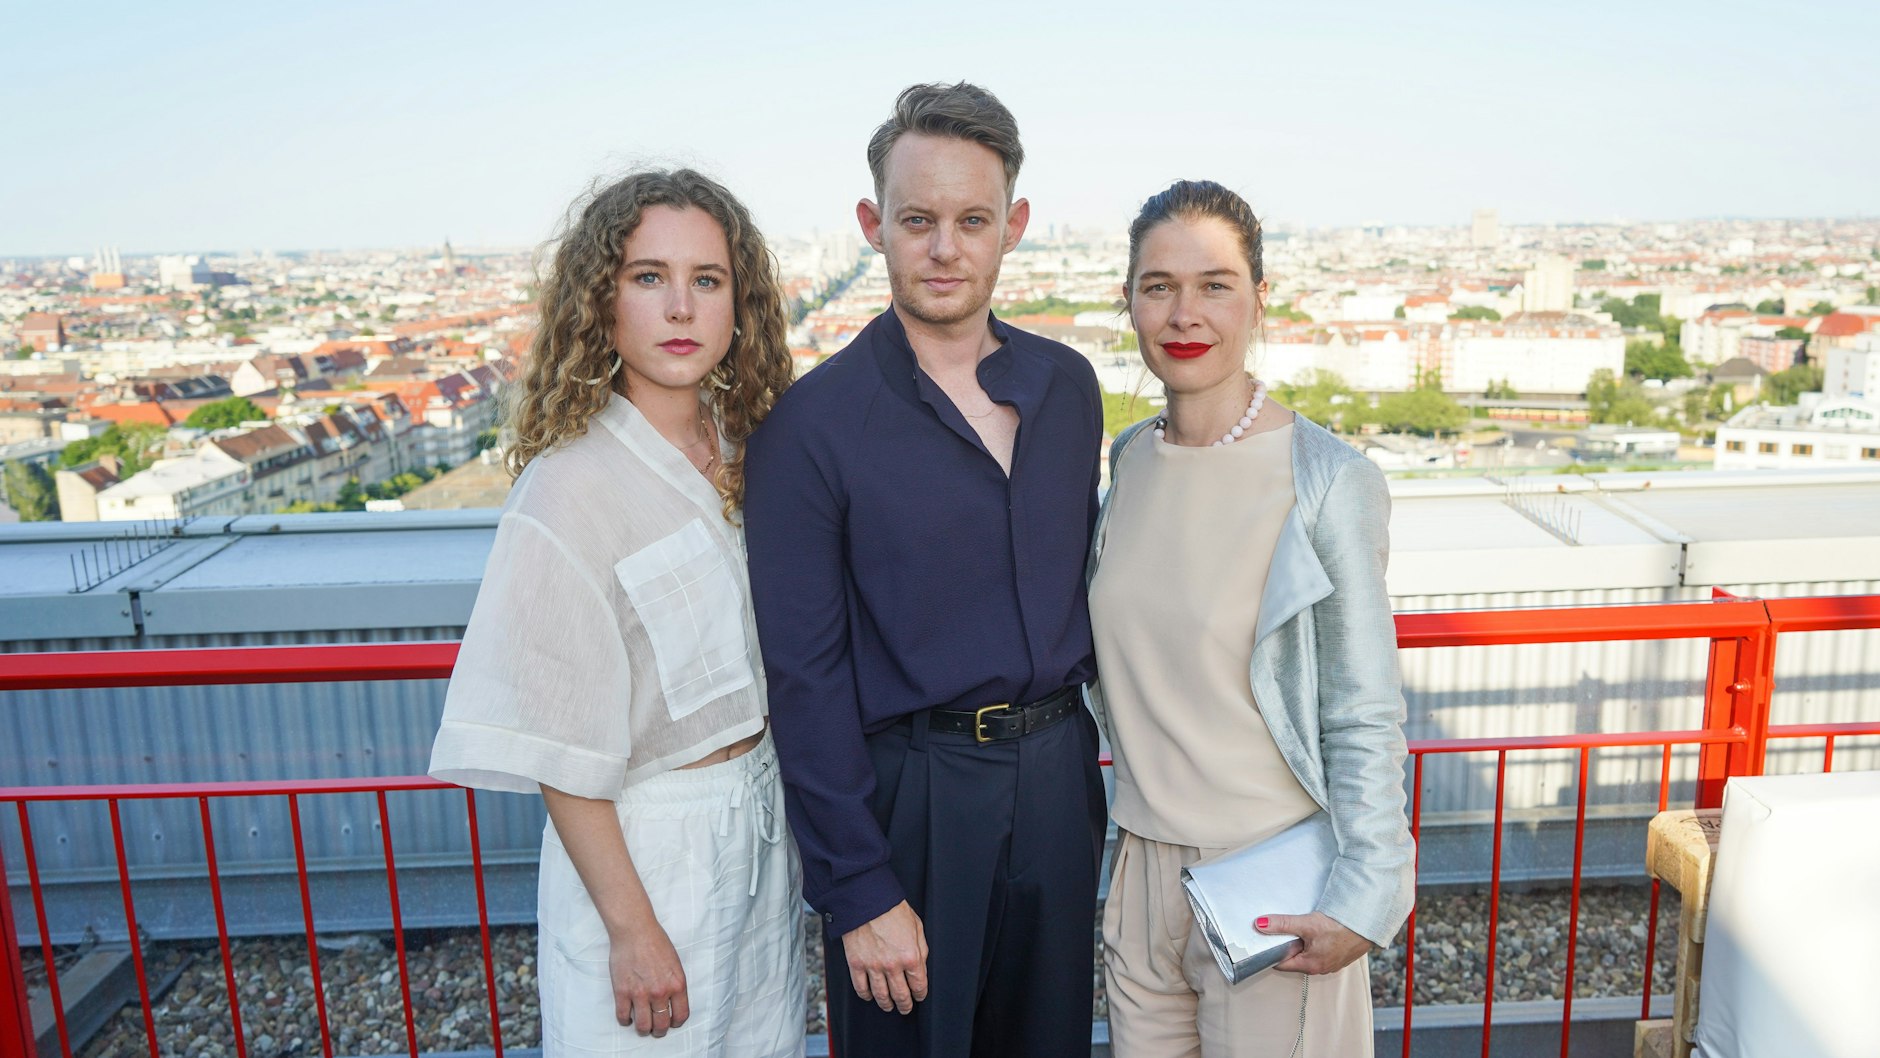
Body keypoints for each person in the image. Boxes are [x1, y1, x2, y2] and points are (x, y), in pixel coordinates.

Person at [742, 82, 1107, 1058]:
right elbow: (804, 676)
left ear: (1013, 226)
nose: (944, 248)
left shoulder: (1067, 390)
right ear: (873, 225)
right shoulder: (808, 428)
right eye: (916, 220)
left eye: (971, 220)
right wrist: (858, 884)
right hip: (911, 798)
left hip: (1058, 777)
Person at [428, 168, 804, 1057]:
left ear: (738, 302)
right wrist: (633, 931)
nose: (681, 307)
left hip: (758, 825)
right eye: (648, 277)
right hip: (644, 850)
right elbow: (564, 745)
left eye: (706, 280)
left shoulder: (756, 451)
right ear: (602, 300)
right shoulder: (565, 492)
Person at [1087, 180, 1416, 1057]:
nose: (1184, 312)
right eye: (1158, 286)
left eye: (1215, 283)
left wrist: (1365, 896)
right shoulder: (1130, 462)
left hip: (1273, 875)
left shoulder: (1326, 481)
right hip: (1142, 871)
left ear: (1259, 299)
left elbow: (1363, 705)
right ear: (1128, 303)